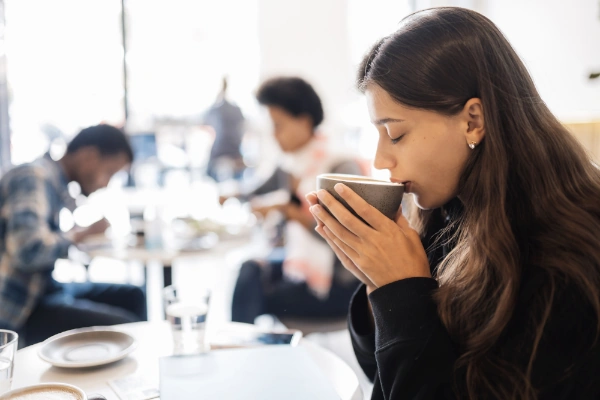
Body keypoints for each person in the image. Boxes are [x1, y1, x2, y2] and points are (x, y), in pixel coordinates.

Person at [307, 7, 600, 400]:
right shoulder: (449, 213)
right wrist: (378, 281)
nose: (380, 160)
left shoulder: (564, 257)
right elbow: (387, 374)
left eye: (394, 134)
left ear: (473, 120)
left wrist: (402, 290)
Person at [231, 77, 363, 324]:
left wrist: (289, 212)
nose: (273, 135)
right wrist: (232, 193)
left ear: (304, 122)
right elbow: (256, 189)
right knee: (249, 269)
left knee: (253, 291)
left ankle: (240, 349)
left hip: (339, 282)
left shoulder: (339, 165)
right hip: (304, 265)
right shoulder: (292, 164)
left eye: (278, 125)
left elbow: (347, 237)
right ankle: (240, 347)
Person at [0, 124, 147, 346]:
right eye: (108, 173)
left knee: (133, 296)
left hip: (45, 288)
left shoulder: (53, 181)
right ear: (89, 156)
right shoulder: (33, 177)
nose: (105, 183)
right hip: (21, 307)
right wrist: (80, 235)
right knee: (123, 325)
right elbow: (28, 250)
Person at [203, 77, 246, 182]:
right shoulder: (236, 109)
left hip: (220, 151)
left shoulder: (216, 109)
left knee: (209, 172)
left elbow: (206, 124)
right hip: (235, 151)